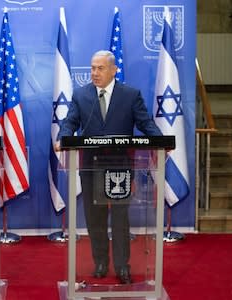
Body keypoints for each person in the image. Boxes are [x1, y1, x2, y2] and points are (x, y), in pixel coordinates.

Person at [57, 50, 162, 284]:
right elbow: (70, 122)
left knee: (120, 219)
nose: (94, 73)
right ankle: (101, 262)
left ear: (114, 70)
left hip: (119, 166)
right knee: (95, 218)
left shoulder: (130, 95)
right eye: (92, 68)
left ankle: (123, 266)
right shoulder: (81, 95)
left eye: (100, 68)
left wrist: (163, 142)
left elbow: (145, 123)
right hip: (91, 166)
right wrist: (62, 137)